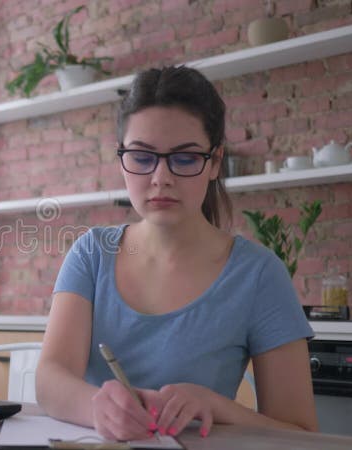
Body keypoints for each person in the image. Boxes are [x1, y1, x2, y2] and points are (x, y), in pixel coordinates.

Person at [35, 65, 318, 441]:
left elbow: (302, 433)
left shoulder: (259, 275)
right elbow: (50, 380)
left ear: (214, 162)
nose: (160, 177)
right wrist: (97, 408)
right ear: (121, 158)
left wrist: (215, 406)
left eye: (184, 159)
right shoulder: (92, 253)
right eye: (141, 157)